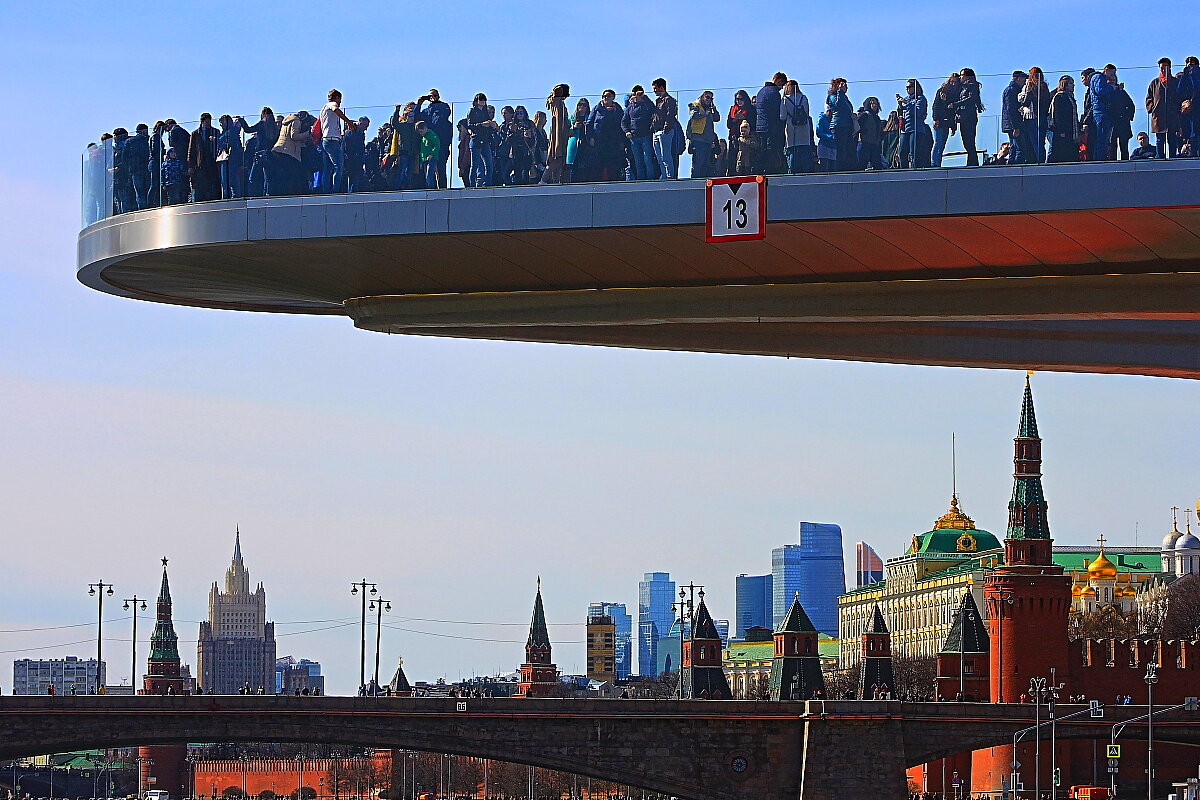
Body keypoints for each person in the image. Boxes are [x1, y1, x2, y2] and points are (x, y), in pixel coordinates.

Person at [271, 110, 317, 196]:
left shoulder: (288, 121)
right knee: (294, 173)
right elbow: (294, 136)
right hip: (288, 151)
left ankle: (284, 193)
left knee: (285, 174)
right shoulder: (296, 121)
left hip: (281, 149)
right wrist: (307, 134)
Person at [319, 90, 356, 194]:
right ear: (337, 98)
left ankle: (326, 190)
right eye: (340, 99)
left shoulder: (323, 109)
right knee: (338, 166)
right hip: (332, 140)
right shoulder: (332, 104)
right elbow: (336, 109)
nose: (340, 102)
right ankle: (336, 191)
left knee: (327, 169)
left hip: (325, 140)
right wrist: (348, 121)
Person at [416, 89, 454, 189]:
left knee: (441, 168)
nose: (432, 97)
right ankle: (431, 188)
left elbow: (444, 116)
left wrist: (436, 103)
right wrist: (419, 104)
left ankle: (443, 189)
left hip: (442, 143)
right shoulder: (426, 111)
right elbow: (417, 120)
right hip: (429, 144)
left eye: (435, 95)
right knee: (430, 169)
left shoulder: (444, 106)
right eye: (430, 96)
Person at [1146, 57, 1183, 158]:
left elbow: (1180, 97)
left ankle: (1172, 158)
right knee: (1159, 140)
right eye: (1162, 68)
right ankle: (1160, 159)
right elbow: (1149, 98)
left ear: (1170, 68)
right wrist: (1152, 108)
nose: (1163, 70)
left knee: (1172, 139)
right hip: (1159, 117)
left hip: (1172, 116)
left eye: (1165, 68)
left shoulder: (1175, 82)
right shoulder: (1154, 83)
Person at [587, 89, 627, 182]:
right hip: (600, 139)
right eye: (604, 96)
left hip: (614, 141)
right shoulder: (597, 108)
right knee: (600, 161)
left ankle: (614, 180)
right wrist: (590, 137)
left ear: (613, 97)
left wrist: (622, 141)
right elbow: (589, 123)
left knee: (613, 162)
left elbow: (622, 124)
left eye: (608, 96)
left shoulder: (618, 109)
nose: (606, 98)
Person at [239, 108, 278, 198]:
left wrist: (241, 120)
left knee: (252, 177)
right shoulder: (273, 126)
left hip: (260, 153)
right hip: (270, 154)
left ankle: (254, 195)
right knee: (267, 177)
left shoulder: (262, 124)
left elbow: (248, 129)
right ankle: (267, 194)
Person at [622, 85, 658, 180]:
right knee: (638, 161)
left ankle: (650, 179)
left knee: (648, 159)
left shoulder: (646, 105)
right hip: (634, 137)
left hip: (646, 136)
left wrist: (643, 97)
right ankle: (641, 179)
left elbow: (653, 109)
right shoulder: (629, 108)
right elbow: (624, 121)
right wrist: (627, 131)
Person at [755, 72, 787, 174]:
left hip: (760, 126)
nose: (781, 88)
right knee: (770, 151)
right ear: (778, 81)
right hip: (770, 126)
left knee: (761, 150)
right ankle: (769, 172)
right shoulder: (774, 92)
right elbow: (777, 111)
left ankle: (759, 171)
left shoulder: (761, 91)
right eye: (782, 84)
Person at [1018, 67, 1052, 163]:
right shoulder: (1044, 86)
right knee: (1041, 142)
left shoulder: (1031, 87)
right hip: (1043, 117)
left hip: (1032, 118)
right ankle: (1041, 160)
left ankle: (1037, 162)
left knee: (1034, 142)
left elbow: (1025, 102)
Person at [781, 80, 814, 174]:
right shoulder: (804, 98)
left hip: (792, 129)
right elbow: (807, 113)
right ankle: (806, 174)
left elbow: (782, 116)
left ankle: (792, 174)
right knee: (804, 153)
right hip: (804, 129)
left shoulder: (785, 100)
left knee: (792, 153)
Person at [187, 113, 222, 201]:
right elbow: (191, 151)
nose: (208, 124)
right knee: (201, 185)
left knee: (213, 184)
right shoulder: (195, 134)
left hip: (213, 162)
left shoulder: (215, 131)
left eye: (209, 121)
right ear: (202, 122)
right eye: (206, 122)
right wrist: (191, 166)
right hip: (200, 164)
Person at [686, 91, 720, 178]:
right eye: (707, 97)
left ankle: (702, 182)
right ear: (702, 97)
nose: (709, 100)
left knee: (706, 164)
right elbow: (694, 115)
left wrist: (714, 109)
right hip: (698, 139)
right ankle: (694, 181)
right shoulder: (695, 105)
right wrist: (705, 114)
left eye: (711, 98)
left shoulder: (709, 109)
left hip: (708, 140)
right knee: (698, 163)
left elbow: (717, 118)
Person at [1090, 64, 1121, 161]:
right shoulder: (1099, 77)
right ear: (1106, 70)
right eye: (1112, 73)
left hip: (1102, 111)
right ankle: (1100, 158)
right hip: (1100, 111)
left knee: (1103, 137)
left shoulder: (1099, 79)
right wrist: (1113, 88)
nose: (1112, 76)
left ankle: (1099, 157)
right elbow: (1100, 90)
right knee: (1102, 137)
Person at [651, 78, 680, 179]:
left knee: (666, 156)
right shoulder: (658, 101)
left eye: (655, 89)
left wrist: (666, 128)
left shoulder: (669, 100)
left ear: (661, 87)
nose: (654, 91)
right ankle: (664, 175)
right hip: (656, 131)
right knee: (659, 157)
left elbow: (670, 114)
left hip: (664, 132)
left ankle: (669, 176)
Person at [1046, 75, 1080, 163]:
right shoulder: (1059, 97)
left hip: (1071, 132)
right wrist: (1061, 131)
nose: (1073, 86)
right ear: (1065, 84)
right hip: (1063, 133)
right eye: (1071, 83)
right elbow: (1058, 115)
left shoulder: (1070, 97)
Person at [542, 84, 570, 184]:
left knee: (560, 160)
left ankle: (556, 182)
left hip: (562, 135)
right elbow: (557, 92)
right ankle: (543, 181)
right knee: (555, 159)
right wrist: (560, 90)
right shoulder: (557, 102)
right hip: (557, 135)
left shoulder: (560, 104)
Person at [466, 93, 496, 188]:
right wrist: (482, 124)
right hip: (476, 140)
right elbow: (470, 125)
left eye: (483, 99)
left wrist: (492, 126)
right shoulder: (472, 111)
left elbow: (488, 125)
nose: (482, 101)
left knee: (489, 165)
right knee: (474, 165)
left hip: (485, 140)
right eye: (480, 99)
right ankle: (472, 185)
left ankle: (487, 184)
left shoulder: (485, 112)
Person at [931, 73, 961, 167]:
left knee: (942, 144)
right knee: (938, 143)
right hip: (940, 120)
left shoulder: (956, 94)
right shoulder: (942, 91)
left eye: (956, 82)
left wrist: (953, 125)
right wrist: (936, 119)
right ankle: (934, 163)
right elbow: (936, 106)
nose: (953, 84)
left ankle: (937, 163)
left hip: (947, 122)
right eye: (952, 81)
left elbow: (953, 112)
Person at [896, 79, 927, 169]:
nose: (907, 89)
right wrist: (900, 106)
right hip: (905, 130)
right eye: (906, 87)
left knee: (914, 152)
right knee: (902, 152)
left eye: (909, 87)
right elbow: (901, 114)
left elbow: (918, 112)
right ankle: (903, 171)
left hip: (916, 129)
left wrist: (907, 104)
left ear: (915, 88)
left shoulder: (921, 99)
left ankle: (915, 171)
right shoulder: (906, 99)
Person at [956, 68, 985, 166]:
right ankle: (972, 162)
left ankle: (973, 163)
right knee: (967, 141)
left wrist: (956, 104)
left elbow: (970, 99)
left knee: (969, 141)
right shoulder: (964, 88)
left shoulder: (972, 86)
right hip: (963, 117)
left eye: (962, 75)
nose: (961, 77)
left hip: (969, 117)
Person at [388, 104, 419, 190]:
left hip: (412, 154)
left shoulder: (415, 127)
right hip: (404, 153)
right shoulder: (402, 126)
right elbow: (394, 123)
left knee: (409, 173)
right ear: (406, 116)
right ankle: (397, 188)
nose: (412, 117)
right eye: (410, 115)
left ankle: (407, 188)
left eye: (413, 116)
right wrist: (397, 110)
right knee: (401, 172)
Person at [827, 77, 855, 170]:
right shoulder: (832, 96)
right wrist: (840, 92)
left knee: (848, 149)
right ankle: (839, 168)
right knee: (840, 149)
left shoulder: (844, 97)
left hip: (847, 126)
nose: (845, 88)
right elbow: (838, 105)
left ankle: (848, 167)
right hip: (838, 126)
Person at [726, 89, 755, 176]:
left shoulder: (751, 109)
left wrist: (743, 118)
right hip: (734, 137)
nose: (739, 101)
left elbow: (753, 123)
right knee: (733, 158)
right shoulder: (733, 109)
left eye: (741, 99)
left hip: (745, 138)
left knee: (745, 159)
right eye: (737, 99)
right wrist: (735, 119)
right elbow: (728, 124)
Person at [1001, 71, 1029, 165]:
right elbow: (1011, 110)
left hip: (1011, 124)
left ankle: (1011, 165)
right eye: (1023, 79)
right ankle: (1017, 166)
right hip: (1014, 124)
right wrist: (1015, 127)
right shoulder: (1012, 91)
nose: (1025, 82)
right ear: (1018, 78)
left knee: (1014, 146)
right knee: (1020, 148)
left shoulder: (1011, 90)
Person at [123, 123, 152, 210]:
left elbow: (125, 157)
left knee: (139, 193)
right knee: (148, 190)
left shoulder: (130, 141)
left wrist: (128, 169)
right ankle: (149, 208)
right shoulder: (148, 140)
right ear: (143, 130)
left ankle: (142, 210)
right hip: (146, 168)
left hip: (135, 169)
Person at [216, 114, 244, 200]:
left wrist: (216, 140)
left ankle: (230, 197)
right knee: (230, 181)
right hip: (230, 159)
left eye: (222, 122)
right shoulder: (229, 132)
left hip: (230, 159)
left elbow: (225, 141)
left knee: (228, 181)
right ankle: (233, 196)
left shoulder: (231, 132)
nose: (221, 125)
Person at [1177, 56, 1200, 157]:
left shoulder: (1197, 74)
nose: (1190, 65)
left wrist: (1194, 73)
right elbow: (1179, 90)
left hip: (1197, 107)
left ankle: (1195, 152)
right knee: (1187, 131)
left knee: (1195, 131)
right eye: (1188, 63)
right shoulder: (1185, 75)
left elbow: (1196, 88)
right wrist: (1185, 74)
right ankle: (1190, 151)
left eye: (1193, 63)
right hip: (1187, 110)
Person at [566, 97, 591, 183]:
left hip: (586, 145)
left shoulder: (590, 118)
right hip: (574, 146)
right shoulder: (572, 118)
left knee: (584, 168)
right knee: (573, 168)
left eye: (584, 105)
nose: (582, 107)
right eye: (580, 104)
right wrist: (574, 127)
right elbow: (566, 132)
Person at [856, 97, 884, 170]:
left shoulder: (877, 118)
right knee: (861, 165)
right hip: (864, 143)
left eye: (876, 103)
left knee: (877, 165)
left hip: (874, 144)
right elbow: (856, 126)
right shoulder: (864, 115)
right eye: (872, 103)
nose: (874, 105)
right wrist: (863, 131)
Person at [1111, 81, 1136, 161]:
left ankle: (1125, 163)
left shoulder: (1121, 92)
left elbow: (1131, 105)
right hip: (1112, 122)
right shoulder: (1107, 93)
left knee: (1124, 145)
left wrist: (1128, 116)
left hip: (1122, 122)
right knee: (1112, 146)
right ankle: (1112, 163)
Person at [344, 116, 368, 192]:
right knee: (354, 178)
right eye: (365, 126)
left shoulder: (360, 133)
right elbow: (349, 145)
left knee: (355, 179)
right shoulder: (352, 132)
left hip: (357, 159)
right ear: (360, 123)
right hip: (353, 159)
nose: (366, 129)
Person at [417, 120, 442, 189]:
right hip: (425, 159)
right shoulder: (423, 138)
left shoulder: (432, 135)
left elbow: (437, 145)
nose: (421, 133)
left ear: (425, 128)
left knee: (429, 175)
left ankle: (431, 189)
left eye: (421, 131)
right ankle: (429, 188)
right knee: (426, 175)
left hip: (432, 158)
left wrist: (432, 154)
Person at [494, 106, 515, 185]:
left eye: (506, 113)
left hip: (512, 152)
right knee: (503, 174)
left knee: (506, 173)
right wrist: (496, 131)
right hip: (503, 153)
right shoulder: (502, 126)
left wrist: (501, 132)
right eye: (502, 113)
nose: (504, 115)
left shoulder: (514, 125)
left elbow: (509, 138)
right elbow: (498, 140)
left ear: (511, 114)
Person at [456, 118, 472, 188]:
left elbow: (466, 153)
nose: (458, 128)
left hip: (466, 166)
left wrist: (462, 166)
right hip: (465, 165)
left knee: (468, 184)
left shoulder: (467, 138)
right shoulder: (464, 139)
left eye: (459, 126)